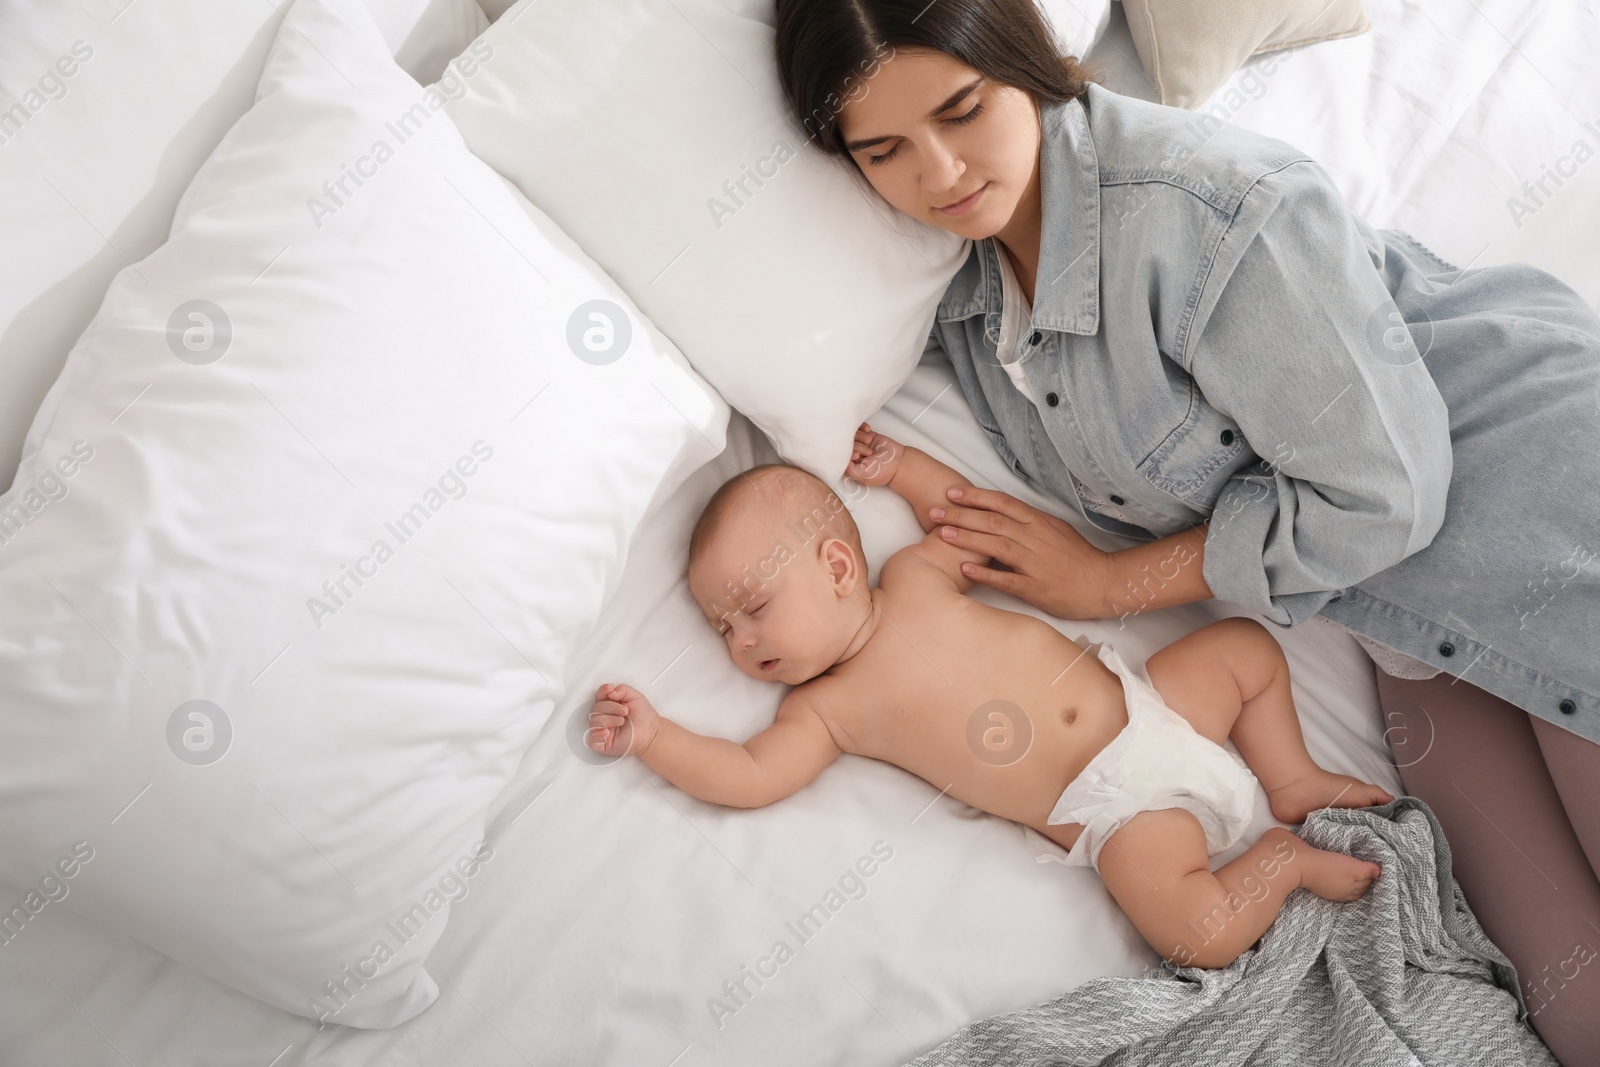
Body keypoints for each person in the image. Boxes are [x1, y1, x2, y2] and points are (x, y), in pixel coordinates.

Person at [772, 1, 1600, 1062]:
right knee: (1571, 1012)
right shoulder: (967, 296)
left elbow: (1385, 491)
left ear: (1026, 60)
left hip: (1537, 502)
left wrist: (1107, 585)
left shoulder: (1213, 211)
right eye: (883, 150)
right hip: (1406, 616)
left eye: (962, 110)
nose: (937, 174)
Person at [588, 436, 1391, 970]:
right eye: (723, 628)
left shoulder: (912, 577)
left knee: (1248, 649)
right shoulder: (825, 710)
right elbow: (750, 773)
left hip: (1153, 705)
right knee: (1201, 936)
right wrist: (655, 736)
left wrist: (901, 467)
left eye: (753, 607)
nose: (738, 643)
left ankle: (1290, 778)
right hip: (1113, 811)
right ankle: (1279, 864)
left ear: (837, 564)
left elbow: (966, 517)